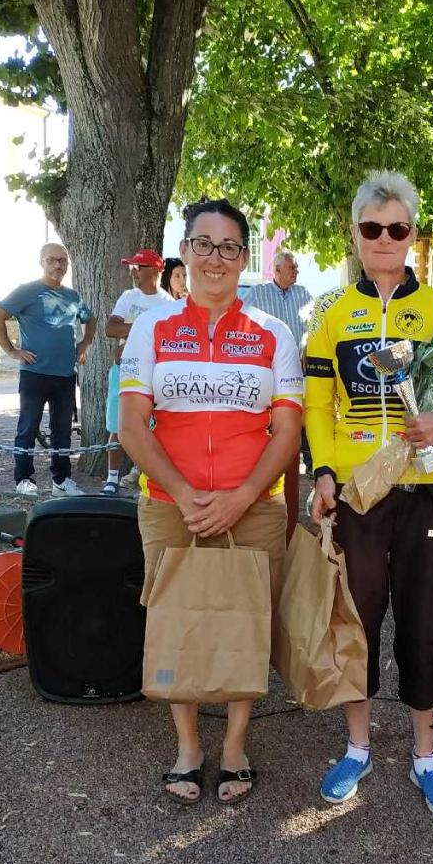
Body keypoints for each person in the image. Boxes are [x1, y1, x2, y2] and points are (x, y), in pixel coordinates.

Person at [119, 199, 303, 805]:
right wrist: (183, 491)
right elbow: (132, 425)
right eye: (204, 244)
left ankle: (235, 745)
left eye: (229, 247)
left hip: (254, 506)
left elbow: (287, 432)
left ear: (245, 256)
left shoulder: (274, 334)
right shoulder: (153, 328)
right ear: (186, 252)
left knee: (247, 621)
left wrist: (243, 497)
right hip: (171, 503)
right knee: (178, 618)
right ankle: (189, 746)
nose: (216, 258)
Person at [306, 170, 433, 820]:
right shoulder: (332, 315)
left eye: (397, 228)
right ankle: (358, 747)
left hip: (426, 487)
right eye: (372, 228)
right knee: (358, 622)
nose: (384, 238)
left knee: (427, 621)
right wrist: (323, 472)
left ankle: (426, 757)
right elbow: (319, 402)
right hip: (359, 493)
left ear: (411, 235)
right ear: (356, 232)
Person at [0, 242, 94, 498]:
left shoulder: (72, 296)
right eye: (52, 260)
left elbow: (89, 319)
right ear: (42, 262)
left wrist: (85, 343)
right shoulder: (28, 291)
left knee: (62, 431)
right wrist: (12, 351)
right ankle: (24, 478)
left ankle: (62, 479)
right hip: (35, 373)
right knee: (28, 426)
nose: (58, 265)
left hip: (65, 375)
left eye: (63, 260)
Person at [246, 249, 313, 538]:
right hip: (265, 375)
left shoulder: (304, 295)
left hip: (296, 376)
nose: (296, 272)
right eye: (292, 267)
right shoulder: (257, 294)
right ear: (276, 269)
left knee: (291, 442)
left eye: (297, 267)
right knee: (265, 440)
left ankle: (288, 520)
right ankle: (262, 503)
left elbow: (314, 330)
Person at [103, 249, 166, 495]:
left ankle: (147, 479)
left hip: (152, 373)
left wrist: (133, 335)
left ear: (156, 270)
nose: (134, 272)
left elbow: (165, 339)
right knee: (117, 426)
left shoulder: (168, 303)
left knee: (152, 428)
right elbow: (111, 328)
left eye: (139, 268)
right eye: (132, 267)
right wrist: (146, 328)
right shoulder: (128, 297)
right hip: (124, 370)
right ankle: (111, 479)